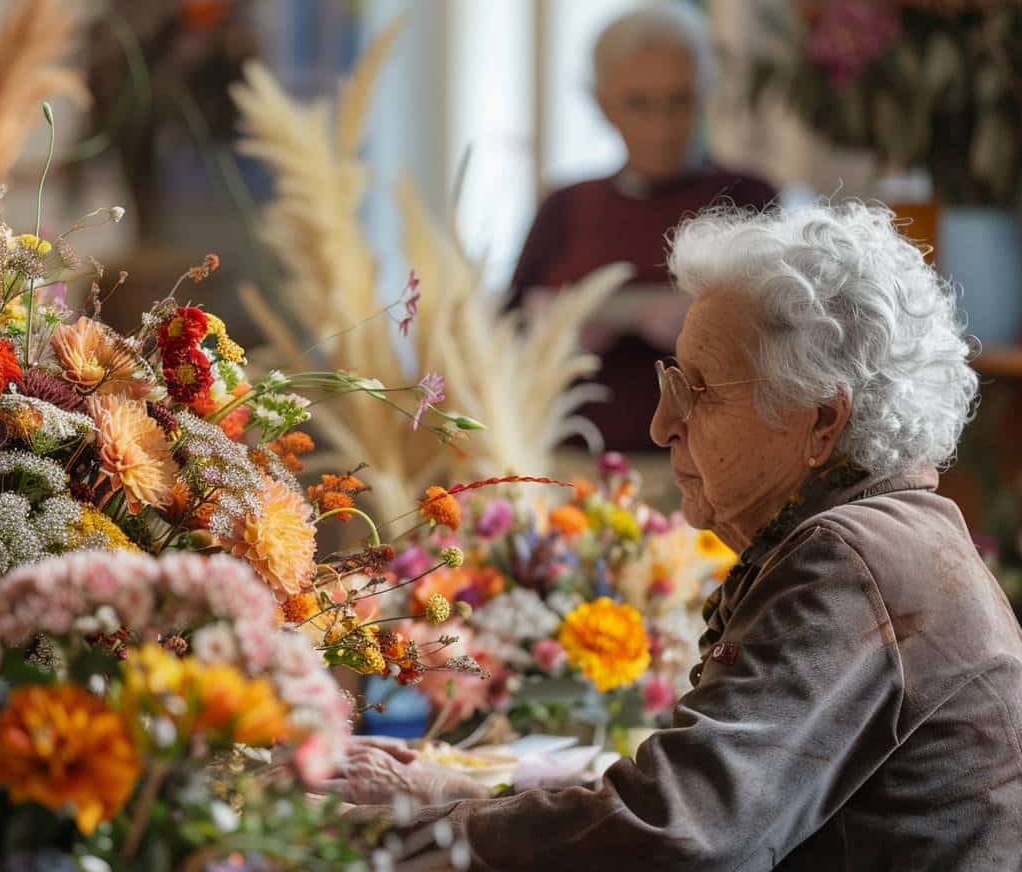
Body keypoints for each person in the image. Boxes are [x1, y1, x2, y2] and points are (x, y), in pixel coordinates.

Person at [327, 202, 1022, 870]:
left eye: (700, 390)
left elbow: (680, 831)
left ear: (821, 421)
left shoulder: (851, 559)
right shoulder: (889, 536)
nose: (662, 427)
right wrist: (462, 792)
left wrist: (411, 832)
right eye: (671, 382)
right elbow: (697, 805)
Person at [511, 0, 775, 454]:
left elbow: (782, 337)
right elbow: (506, 335)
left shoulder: (748, 198)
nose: (661, 126)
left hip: (715, 466)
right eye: (639, 104)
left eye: (679, 101)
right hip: (578, 462)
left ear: (705, 95)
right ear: (603, 103)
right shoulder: (566, 206)